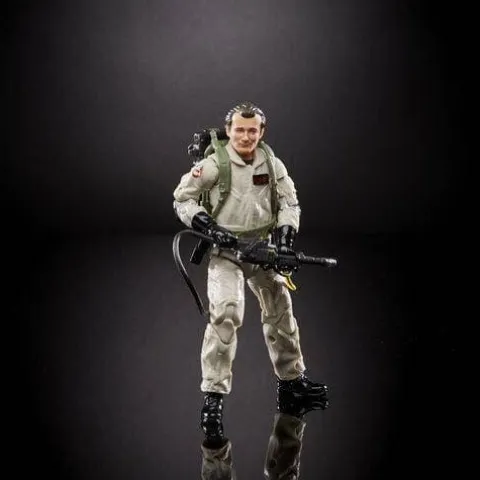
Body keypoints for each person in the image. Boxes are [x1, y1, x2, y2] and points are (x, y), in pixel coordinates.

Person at [173, 102, 328, 447]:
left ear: (261, 132)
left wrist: (285, 239)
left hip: (262, 248)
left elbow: (289, 203)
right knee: (226, 314)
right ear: (229, 130)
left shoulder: (271, 163)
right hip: (226, 252)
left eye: (252, 130)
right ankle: (213, 399)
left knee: (280, 310)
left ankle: (292, 383)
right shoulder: (214, 164)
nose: (245, 136)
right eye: (239, 130)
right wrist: (209, 227)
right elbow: (182, 199)